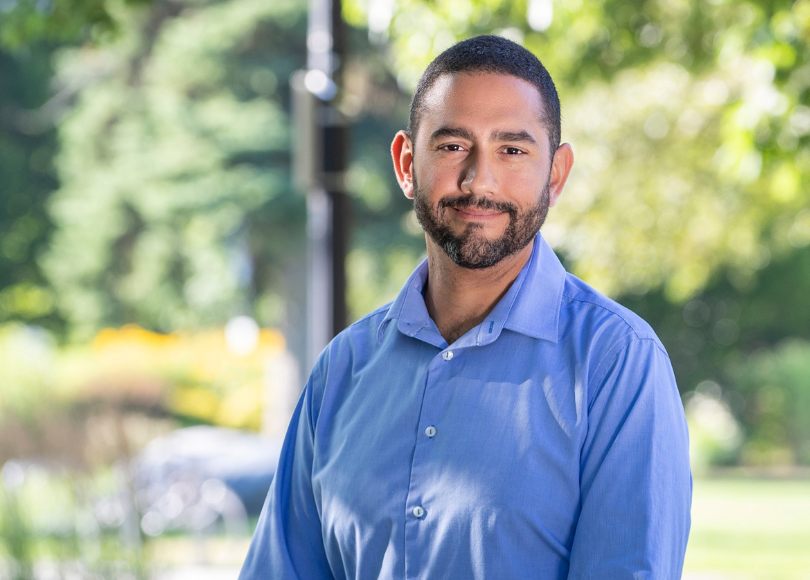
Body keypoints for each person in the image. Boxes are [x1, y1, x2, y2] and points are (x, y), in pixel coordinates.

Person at [239, 35, 692, 580]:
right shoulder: (344, 369)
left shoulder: (616, 363)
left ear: (556, 174)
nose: (480, 180)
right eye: (453, 146)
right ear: (407, 163)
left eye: (513, 150)